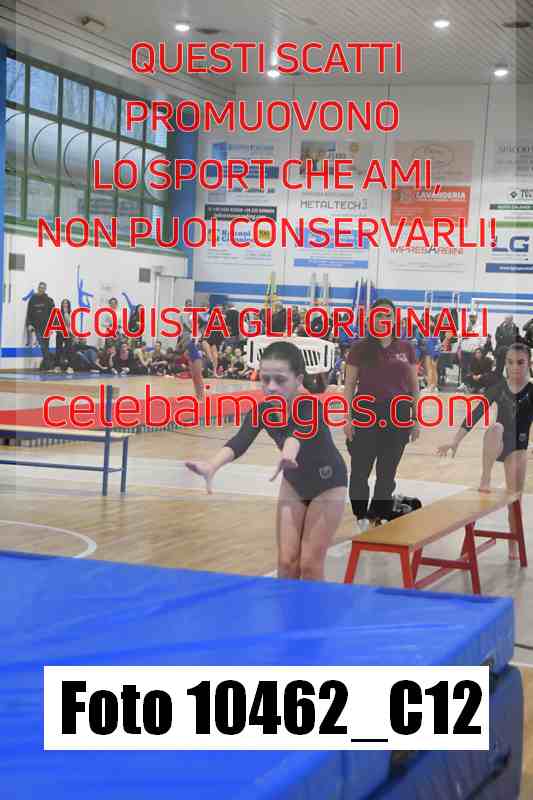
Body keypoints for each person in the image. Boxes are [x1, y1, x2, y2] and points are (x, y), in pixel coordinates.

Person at [185, 341, 348, 581]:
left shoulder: (310, 406)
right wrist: (212, 465)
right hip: (294, 482)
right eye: (265, 379)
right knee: (286, 562)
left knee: (310, 565)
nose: (271, 387)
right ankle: (285, 606)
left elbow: (299, 434)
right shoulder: (263, 411)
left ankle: (314, 606)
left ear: (298, 379)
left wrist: (288, 453)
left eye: (280, 380)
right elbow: (240, 441)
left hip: (328, 484)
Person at [437, 343, 532, 559]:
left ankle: (513, 544)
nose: (515, 367)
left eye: (520, 363)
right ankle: (485, 476)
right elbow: (476, 412)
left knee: (514, 501)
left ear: (529, 363)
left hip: (517, 448)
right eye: (510, 363)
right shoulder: (499, 388)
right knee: (496, 427)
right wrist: (455, 441)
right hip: (496, 442)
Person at [344, 298, 420, 531]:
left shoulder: (406, 348)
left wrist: (415, 419)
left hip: (398, 415)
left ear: (394, 319)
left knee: (387, 472)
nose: (384, 319)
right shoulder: (359, 349)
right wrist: (348, 418)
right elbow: (349, 385)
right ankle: (361, 516)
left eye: (388, 315)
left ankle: (376, 516)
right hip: (366, 414)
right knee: (360, 470)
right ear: (371, 319)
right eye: (379, 315)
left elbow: (414, 386)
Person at [26, 281, 55, 370]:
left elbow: (53, 314)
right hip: (37, 327)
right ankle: (48, 365)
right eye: (40, 288)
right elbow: (29, 313)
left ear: (45, 289)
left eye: (43, 288)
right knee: (42, 345)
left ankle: (46, 365)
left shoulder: (49, 300)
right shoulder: (32, 299)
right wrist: (29, 324)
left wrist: (52, 327)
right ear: (38, 288)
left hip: (47, 327)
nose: (41, 289)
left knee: (46, 346)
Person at [54, 298, 74, 374]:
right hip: (60, 333)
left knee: (69, 350)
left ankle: (70, 367)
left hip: (68, 334)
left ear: (68, 305)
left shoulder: (70, 314)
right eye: (64, 303)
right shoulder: (58, 313)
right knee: (58, 350)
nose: (65, 305)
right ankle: (57, 366)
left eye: (66, 303)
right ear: (62, 305)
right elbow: (55, 323)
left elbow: (70, 325)